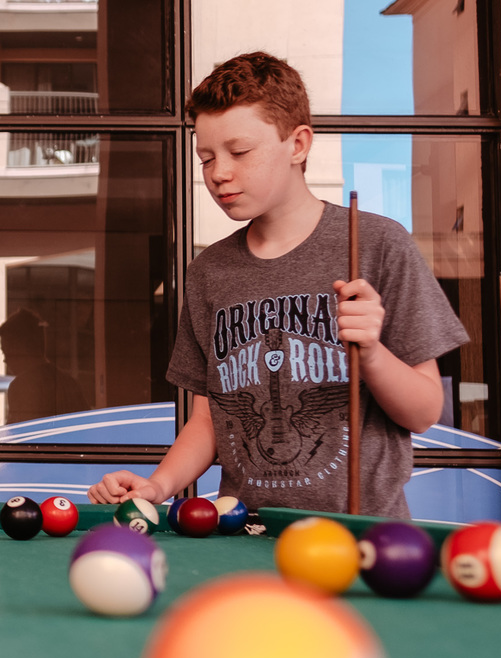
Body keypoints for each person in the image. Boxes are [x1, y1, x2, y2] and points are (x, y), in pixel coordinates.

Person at [87, 52, 468, 519]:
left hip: (363, 541)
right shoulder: (209, 271)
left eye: (240, 152)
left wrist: (371, 352)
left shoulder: (377, 245)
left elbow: (425, 411)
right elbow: (210, 418)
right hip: (245, 536)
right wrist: (157, 484)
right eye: (205, 158)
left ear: (299, 144)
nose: (218, 172)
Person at [0, 308, 87, 424]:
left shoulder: (20, 387)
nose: (5, 360)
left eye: (6, 352)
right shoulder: (70, 383)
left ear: (22, 348)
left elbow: (19, 436)